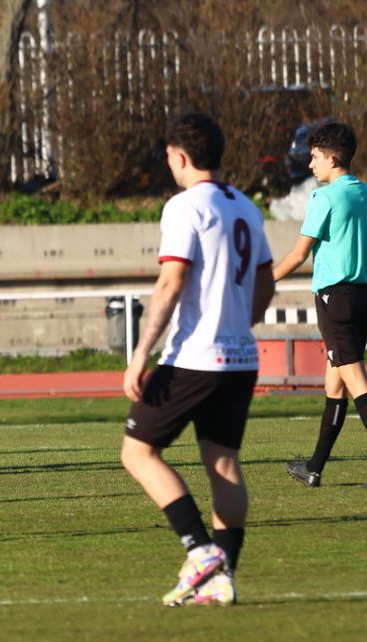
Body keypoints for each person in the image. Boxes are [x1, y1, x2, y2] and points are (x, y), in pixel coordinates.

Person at [121, 113, 273, 607]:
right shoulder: (246, 207)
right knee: (223, 461)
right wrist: (240, 320)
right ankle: (223, 577)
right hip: (241, 356)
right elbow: (266, 283)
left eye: (168, 157)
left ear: (180, 157)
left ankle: (200, 549)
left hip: (195, 356)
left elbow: (171, 282)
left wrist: (140, 353)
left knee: (137, 452)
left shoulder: (185, 206)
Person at [270, 121, 367, 488]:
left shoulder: (324, 198)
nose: (310, 166)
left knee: (356, 382)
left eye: (314, 158)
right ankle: (314, 467)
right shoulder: (364, 193)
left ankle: (314, 467)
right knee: (336, 384)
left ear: (332, 157)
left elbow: (299, 253)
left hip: (335, 299)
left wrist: (265, 281)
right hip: (361, 297)